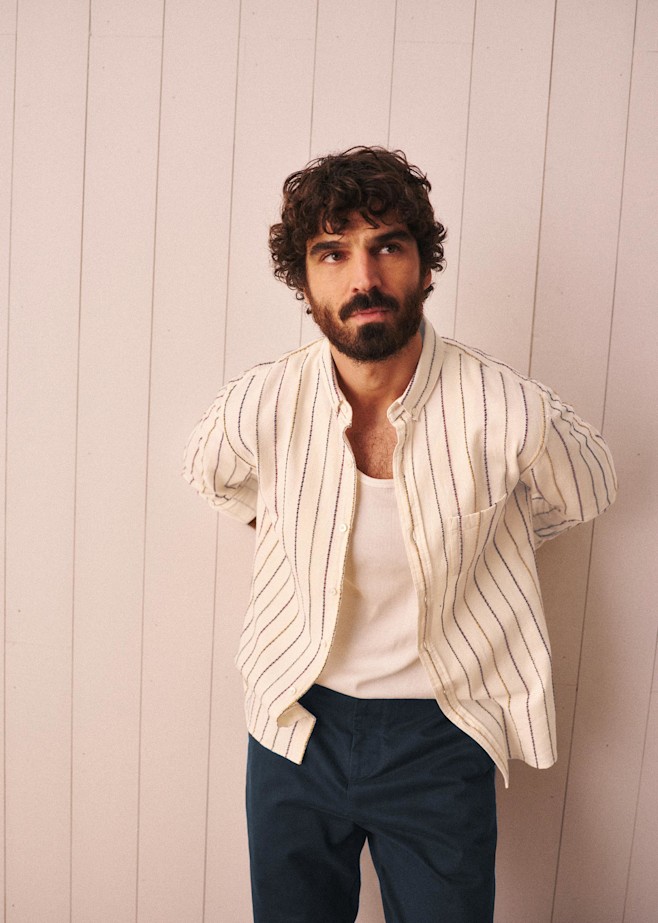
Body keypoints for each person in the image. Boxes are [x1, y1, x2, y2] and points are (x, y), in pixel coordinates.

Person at [183, 146, 616, 923]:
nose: (364, 278)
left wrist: (501, 530)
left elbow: (588, 488)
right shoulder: (264, 401)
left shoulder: (504, 407)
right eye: (333, 253)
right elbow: (210, 475)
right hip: (295, 721)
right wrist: (285, 520)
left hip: (440, 731)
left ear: (423, 265)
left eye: (387, 246)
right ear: (304, 280)